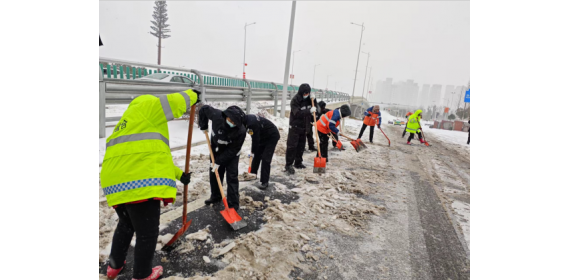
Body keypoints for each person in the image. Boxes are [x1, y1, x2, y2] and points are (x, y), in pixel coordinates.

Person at [101, 89, 199, 280]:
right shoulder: (147, 107)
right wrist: (194, 94)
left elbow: (151, 158)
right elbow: (176, 101)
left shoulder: (125, 125)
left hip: (115, 184)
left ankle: (114, 266)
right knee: (147, 232)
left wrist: (180, 175)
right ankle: (142, 275)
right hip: (139, 183)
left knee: (126, 224)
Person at [199, 105, 247, 211]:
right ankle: (215, 196)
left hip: (232, 154)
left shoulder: (241, 131)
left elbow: (233, 150)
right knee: (215, 173)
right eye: (230, 120)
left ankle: (233, 205)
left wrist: (219, 161)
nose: (232, 123)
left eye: (234, 122)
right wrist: (203, 125)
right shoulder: (217, 116)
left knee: (232, 177)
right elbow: (203, 109)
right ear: (226, 116)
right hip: (216, 150)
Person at [285, 83, 319, 175]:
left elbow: (316, 108)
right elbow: (297, 113)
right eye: (304, 93)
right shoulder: (295, 100)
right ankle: (288, 165)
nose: (306, 95)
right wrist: (309, 111)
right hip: (295, 127)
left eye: (307, 93)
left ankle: (298, 162)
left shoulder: (310, 99)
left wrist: (314, 101)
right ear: (301, 93)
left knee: (301, 146)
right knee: (292, 147)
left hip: (304, 127)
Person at [243, 114, 280, 189]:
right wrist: (254, 151)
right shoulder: (245, 121)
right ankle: (253, 175)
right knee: (257, 156)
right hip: (263, 136)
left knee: (266, 158)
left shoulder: (252, 123)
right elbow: (253, 136)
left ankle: (264, 182)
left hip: (272, 136)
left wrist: (253, 150)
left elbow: (255, 139)